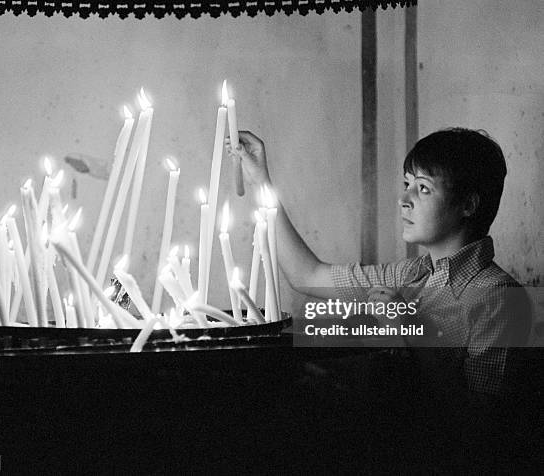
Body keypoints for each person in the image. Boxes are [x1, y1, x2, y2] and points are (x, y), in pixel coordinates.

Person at [225, 128, 531, 402]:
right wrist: (260, 181)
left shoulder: (497, 298)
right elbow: (308, 275)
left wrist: (411, 331)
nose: (404, 199)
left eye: (423, 188)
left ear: (468, 205)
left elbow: (482, 425)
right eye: (407, 183)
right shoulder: (410, 275)